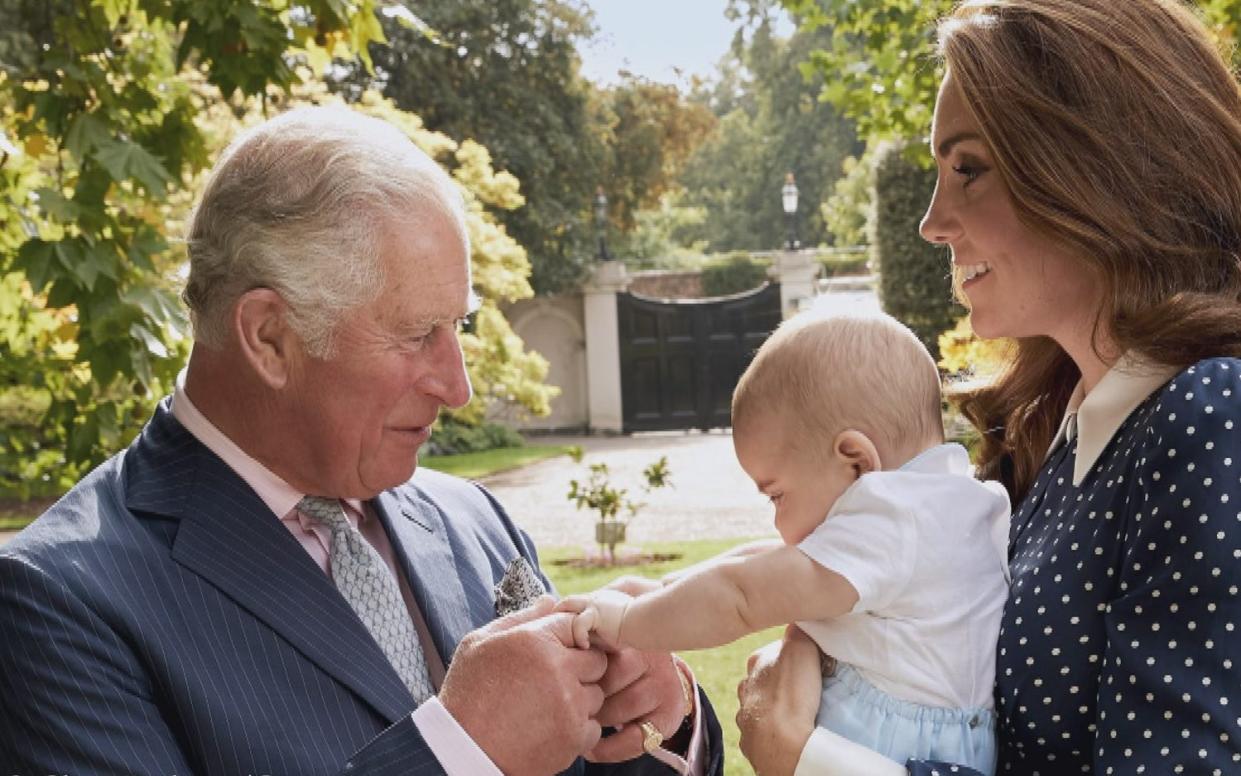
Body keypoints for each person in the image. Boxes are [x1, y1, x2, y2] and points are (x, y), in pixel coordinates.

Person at [0, 106, 724, 776]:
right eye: (416, 335)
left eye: (458, 328)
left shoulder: (472, 520)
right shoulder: (55, 604)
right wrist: (455, 751)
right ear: (268, 336)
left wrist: (663, 715)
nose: (457, 385)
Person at [736, 1, 1241, 774]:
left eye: (967, 169)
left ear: (1098, 164)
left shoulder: (1210, 416)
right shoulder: (1067, 428)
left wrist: (807, 759)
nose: (932, 222)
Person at [560, 310, 1011, 773]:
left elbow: (742, 596)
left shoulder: (896, 519)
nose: (777, 522)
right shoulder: (954, 504)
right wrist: (664, 589)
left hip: (889, 746)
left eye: (777, 495)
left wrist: (628, 623)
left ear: (855, 463)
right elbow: (772, 564)